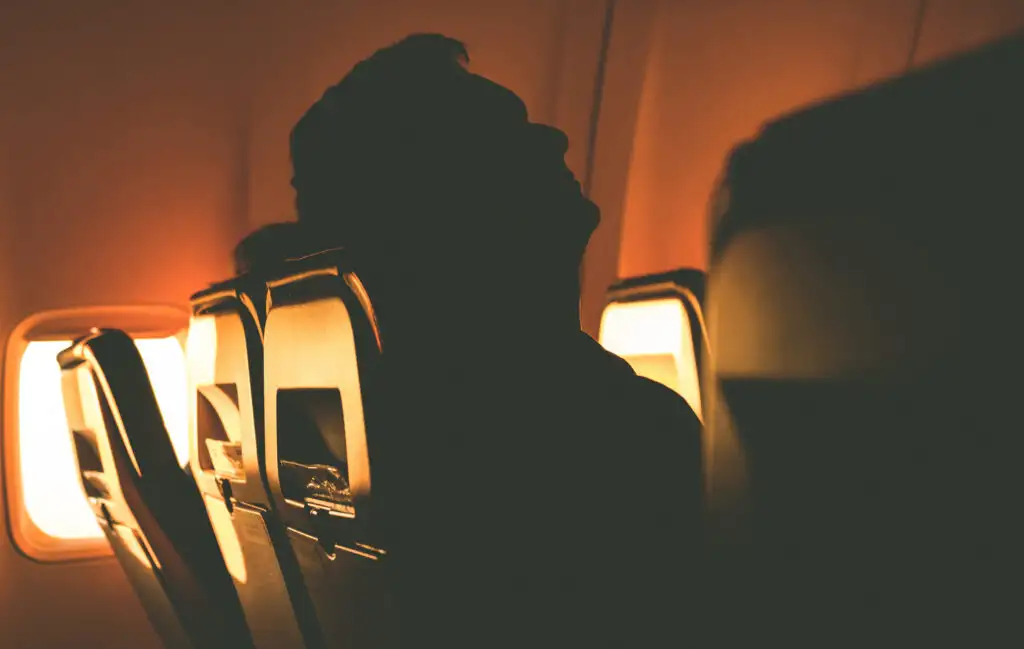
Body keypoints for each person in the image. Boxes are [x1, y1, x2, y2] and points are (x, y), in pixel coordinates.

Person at [284, 34, 702, 647]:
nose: (556, 138)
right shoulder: (612, 433)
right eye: (516, 132)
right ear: (458, 202)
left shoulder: (387, 402)